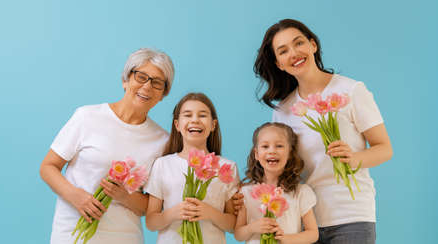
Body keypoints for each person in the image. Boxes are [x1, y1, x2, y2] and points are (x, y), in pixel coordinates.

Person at [250, 19, 393, 244]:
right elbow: (280, 166)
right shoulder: (284, 110)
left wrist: (354, 158)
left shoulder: (351, 91)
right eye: (283, 51)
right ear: (279, 63)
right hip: (304, 222)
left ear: (313, 45)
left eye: (299, 43)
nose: (294, 53)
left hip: (351, 216)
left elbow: (384, 149)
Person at [39, 48, 175, 244]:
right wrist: (77, 196)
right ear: (125, 80)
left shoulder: (163, 141)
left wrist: (124, 196)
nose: (147, 87)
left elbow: (151, 207)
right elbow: (48, 167)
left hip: (125, 237)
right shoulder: (87, 117)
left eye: (157, 83)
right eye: (141, 77)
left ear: (163, 93)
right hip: (71, 235)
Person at [145, 92, 239, 244]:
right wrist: (172, 213)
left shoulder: (227, 167)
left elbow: (233, 225)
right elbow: (151, 222)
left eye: (202, 115)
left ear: (213, 125)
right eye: (188, 115)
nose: (195, 120)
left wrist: (210, 213)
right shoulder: (163, 164)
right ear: (177, 125)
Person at [234, 122, 318, 243]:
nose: (272, 151)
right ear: (256, 154)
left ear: (289, 153)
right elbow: (238, 234)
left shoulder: (300, 192)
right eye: (265, 146)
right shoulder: (246, 192)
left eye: (279, 146)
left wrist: (286, 239)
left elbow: (313, 234)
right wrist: (252, 228)